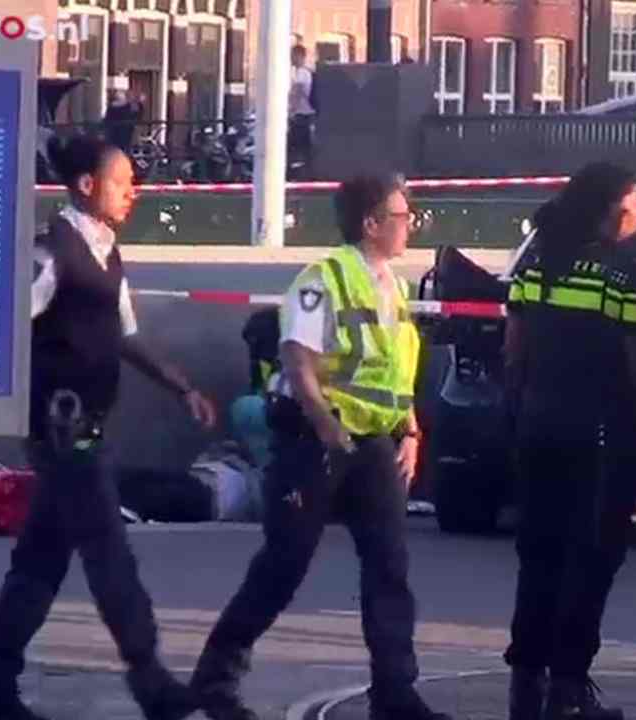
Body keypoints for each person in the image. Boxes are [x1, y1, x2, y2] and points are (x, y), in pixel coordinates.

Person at [0, 136, 218, 720]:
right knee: (110, 555)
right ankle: (151, 682)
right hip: (60, 431)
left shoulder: (108, 254)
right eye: (122, 180)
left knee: (39, 563)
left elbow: (126, 336)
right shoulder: (52, 254)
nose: (133, 191)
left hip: (89, 428)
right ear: (85, 185)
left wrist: (183, 388)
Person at [189, 173, 452, 720]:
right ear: (371, 224)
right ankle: (215, 680)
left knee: (389, 568)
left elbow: (391, 369)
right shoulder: (323, 280)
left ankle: (395, 695)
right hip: (315, 443)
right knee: (284, 564)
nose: (411, 226)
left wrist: (410, 430)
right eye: (403, 217)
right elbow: (297, 357)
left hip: (372, 444)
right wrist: (326, 424)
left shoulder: (392, 285)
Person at [503, 163, 636, 720]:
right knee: (590, 561)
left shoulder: (538, 263)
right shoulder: (618, 274)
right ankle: (569, 689)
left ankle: (525, 687)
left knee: (539, 557)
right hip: (598, 438)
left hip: (538, 428)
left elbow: (515, 349)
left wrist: (518, 413)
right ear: (609, 211)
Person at [288, 44, 316, 173]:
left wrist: (291, 111)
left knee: (298, 145)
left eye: (293, 55)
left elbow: (298, 93)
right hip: (302, 115)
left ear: (300, 56)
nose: (291, 58)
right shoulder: (299, 72)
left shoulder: (303, 74)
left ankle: (302, 171)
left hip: (302, 115)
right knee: (300, 145)